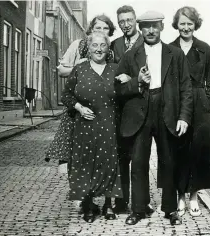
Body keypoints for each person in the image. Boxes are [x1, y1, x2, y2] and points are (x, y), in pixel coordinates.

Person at [115, 10, 193, 226]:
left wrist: (184, 116)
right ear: (140, 29)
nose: (150, 30)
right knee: (138, 161)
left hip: (167, 110)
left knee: (168, 161)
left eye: (155, 25)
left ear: (162, 27)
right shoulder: (130, 56)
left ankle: (170, 209)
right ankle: (139, 209)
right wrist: (137, 82)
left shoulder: (175, 54)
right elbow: (118, 89)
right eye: (146, 26)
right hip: (140, 110)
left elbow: (186, 88)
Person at [46, 14, 116, 216]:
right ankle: (81, 197)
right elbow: (60, 69)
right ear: (90, 29)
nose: (100, 32)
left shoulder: (107, 51)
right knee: (76, 155)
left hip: (98, 112)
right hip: (76, 108)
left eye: (105, 29)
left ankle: (95, 198)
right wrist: (81, 68)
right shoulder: (78, 45)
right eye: (97, 27)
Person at [61, 31, 123, 223]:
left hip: (108, 123)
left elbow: (125, 94)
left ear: (108, 49)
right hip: (84, 126)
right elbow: (66, 95)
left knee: (108, 162)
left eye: (102, 45)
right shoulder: (80, 69)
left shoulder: (115, 69)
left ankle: (107, 204)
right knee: (85, 163)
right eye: (94, 45)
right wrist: (79, 107)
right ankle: (88, 205)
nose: (98, 49)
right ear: (88, 48)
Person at [170, 6, 210, 217]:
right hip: (177, 104)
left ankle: (193, 196)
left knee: (198, 151)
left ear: (195, 25)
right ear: (176, 25)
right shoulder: (169, 48)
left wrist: (207, 103)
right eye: (182, 23)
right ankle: (180, 195)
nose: (186, 27)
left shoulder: (204, 49)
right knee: (179, 150)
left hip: (199, 106)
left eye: (190, 23)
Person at [110, 5, 144, 214]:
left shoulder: (147, 42)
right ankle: (122, 202)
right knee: (122, 158)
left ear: (136, 19)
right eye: (121, 22)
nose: (126, 25)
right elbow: (112, 79)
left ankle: (142, 202)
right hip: (122, 109)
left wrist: (131, 81)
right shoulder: (115, 45)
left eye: (129, 20)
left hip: (142, 107)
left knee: (141, 159)